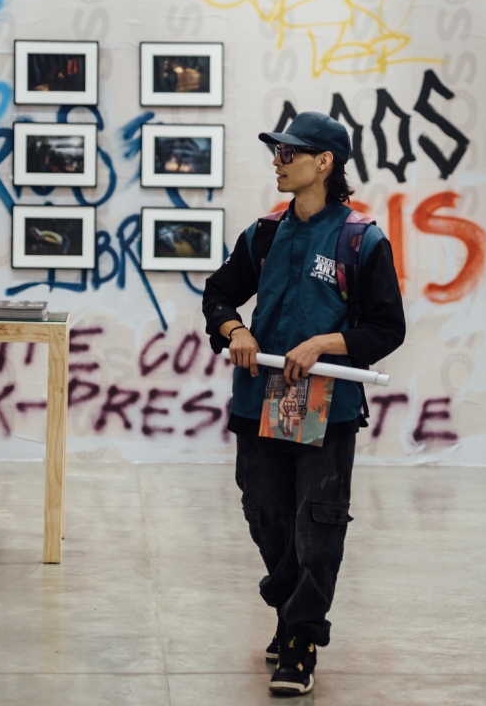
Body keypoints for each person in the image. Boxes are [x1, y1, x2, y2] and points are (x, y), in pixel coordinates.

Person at [201, 111, 405, 696]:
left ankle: (301, 639)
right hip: (259, 397)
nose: (278, 161)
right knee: (265, 513)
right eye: (276, 152)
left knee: (317, 524)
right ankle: (291, 611)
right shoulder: (263, 234)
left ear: (325, 163)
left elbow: (387, 327)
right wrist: (233, 330)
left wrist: (326, 343)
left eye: (290, 153)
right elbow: (219, 293)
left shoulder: (361, 240)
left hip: (327, 406)